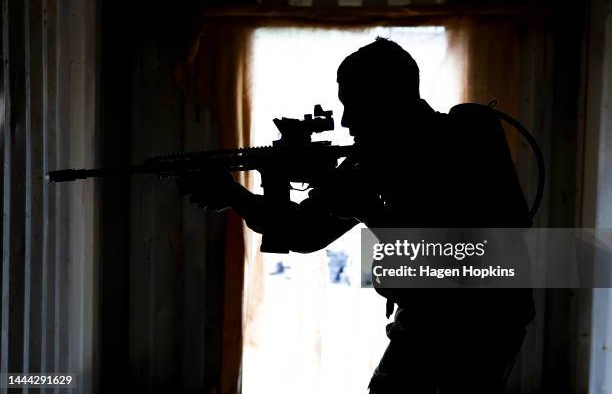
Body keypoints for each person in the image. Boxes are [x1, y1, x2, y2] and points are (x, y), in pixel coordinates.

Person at [177, 37, 535, 393]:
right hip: (423, 320)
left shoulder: (463, 138)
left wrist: (364, 207)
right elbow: (303, 233)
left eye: (356, 104)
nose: (347, 121)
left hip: (480, 324)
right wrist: (234, 195)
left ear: (391, 98)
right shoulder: (374, 159)